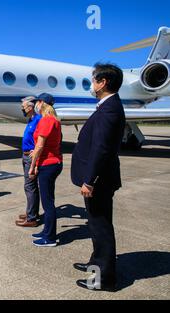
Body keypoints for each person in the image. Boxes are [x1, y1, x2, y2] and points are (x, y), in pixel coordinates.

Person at [71, 63, 125, 292]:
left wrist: (89, 181)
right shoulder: (107, 106)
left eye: (94, 80)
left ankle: (103, 279)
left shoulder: (109, 109)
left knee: (101, 227)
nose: (91, 85)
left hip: (98, 182)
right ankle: (96, 264)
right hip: (99, 179)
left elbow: (101, 149)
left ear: (103, 83)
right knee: (96, 225)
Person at [28, 93, 63, 247]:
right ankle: (46, 231)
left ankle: (49, 238)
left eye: (37, 102)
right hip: (52, 163)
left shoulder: (46, 120)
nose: (35, 104)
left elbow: (40, 146)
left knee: (48, 203)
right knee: (48, 200)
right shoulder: (54, 120)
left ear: (42, 103)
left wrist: (31, 166)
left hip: (48, 165)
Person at [15, 96, 42, 228]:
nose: (22, 109)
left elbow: (41, 139)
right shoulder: (31, 119)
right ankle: (32, 213)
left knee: (30, 186)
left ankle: (32, 218)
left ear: (30, 108)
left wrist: (35, 154)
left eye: (23, 107)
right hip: (25, 156)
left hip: (31, 157)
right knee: (31, 187)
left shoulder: (38, 120)